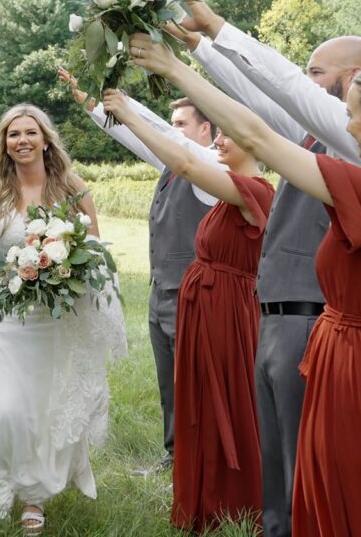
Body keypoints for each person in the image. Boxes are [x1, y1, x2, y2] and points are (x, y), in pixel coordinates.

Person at [128, 33, 361, 537]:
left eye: (352, 115)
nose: (345, 126)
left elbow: (260, 138)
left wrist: (177, 71)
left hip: (349, 366)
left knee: (334, 499)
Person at [162, 0, 361, 534]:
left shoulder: (356, 143)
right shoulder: (317, 140)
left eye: (317, 73)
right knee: (277, 465)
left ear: (353, 78)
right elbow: (259, 105)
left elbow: (279, 95)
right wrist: (203, 49)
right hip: (275, 314)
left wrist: (218, 30)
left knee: (303, 460)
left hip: (308, 316)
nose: (305, 82)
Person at [104, 89, 272, 531]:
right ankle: (201, 487)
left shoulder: (252, 190)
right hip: (203, 307)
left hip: (225, 313)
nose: (217, 141)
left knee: (223, 400)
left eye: (227, 135)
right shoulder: (228, 186)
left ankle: (232, 497)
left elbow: (183, 160)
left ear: (254, 142)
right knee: (195, 399)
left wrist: (128, 115)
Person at [0, 104, 127, 534]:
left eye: (29, 132)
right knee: (7, 410)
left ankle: (33, 498)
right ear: (3, 143)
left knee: (43, 410)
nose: (21, 141)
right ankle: (0, 472)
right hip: (5, 316)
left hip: (55, 318)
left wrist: (61, 269)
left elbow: (95, 249)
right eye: (12, 134)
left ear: (45, 139)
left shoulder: (71, 186)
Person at [57, 70, 219, 474]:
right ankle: (175, 455)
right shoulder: (171, 165)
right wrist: (94, 106)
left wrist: (126, 106)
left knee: (194, 382)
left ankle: (200, 462)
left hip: (194, 295)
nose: (172, 131)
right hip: (161, 291)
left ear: (207, 130)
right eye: (174, 123)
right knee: (170, 382)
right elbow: (135, 136)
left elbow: (156, 131)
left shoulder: (210, 168)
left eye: (182, 124)